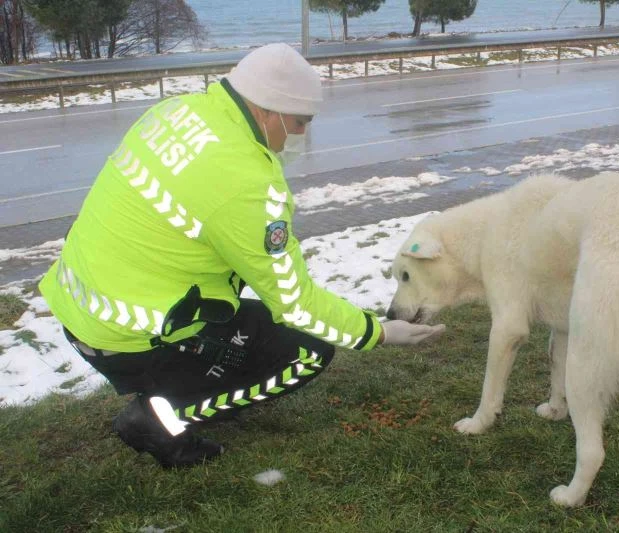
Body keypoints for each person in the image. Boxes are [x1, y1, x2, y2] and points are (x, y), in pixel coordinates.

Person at [38, 43, 444, 468]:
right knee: (309, 351)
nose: (303, 134)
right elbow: (295, 303)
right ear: (269, 109)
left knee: (254, 326)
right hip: (130, 333)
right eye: (301, 121)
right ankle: (158, 419)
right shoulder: (247, 184)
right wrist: (374, 333)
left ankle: (177, 386)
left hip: (83, 301)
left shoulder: (176, 111)